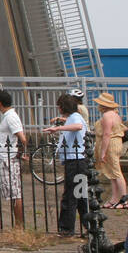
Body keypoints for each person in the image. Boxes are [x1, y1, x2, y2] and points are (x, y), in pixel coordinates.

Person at [52, 93, 88, 237]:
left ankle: (67, 228)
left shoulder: (75, 118)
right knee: (80, 195)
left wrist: (58, 129)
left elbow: (78, 126)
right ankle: (88, 225)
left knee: (71, 195)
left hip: (75, 162)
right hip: (77, 161)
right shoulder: (73, 117)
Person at [0, 89, 28, 227]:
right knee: (12, 193)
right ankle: (17, 224)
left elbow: (22, 138)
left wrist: (22, 152)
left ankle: (19, 226)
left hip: (9, 158)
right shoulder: (7, 116)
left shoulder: (11, 117)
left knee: (15, 193)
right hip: (6, 157)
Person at [93, 91, 128, 209]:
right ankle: (114, 199)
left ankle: (124, 200)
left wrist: (103, 152)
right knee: (112, 173)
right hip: (116, 143)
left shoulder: (107, 116)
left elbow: (107, 134)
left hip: (111, 145)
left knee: (116, 172)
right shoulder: (115, 115)